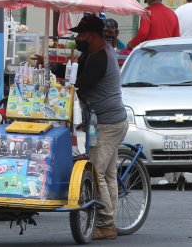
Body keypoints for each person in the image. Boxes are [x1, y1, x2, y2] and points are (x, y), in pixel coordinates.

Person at [69, 15, 127, 241]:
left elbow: (81, 85)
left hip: (109, 123)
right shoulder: (93, 53)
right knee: (109, 175)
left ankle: (106, 223)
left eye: (81, 35)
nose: (77, 39)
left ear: (91, 36)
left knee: (96, 172)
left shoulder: (101, 56)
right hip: (109, 120)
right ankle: (108, 219)